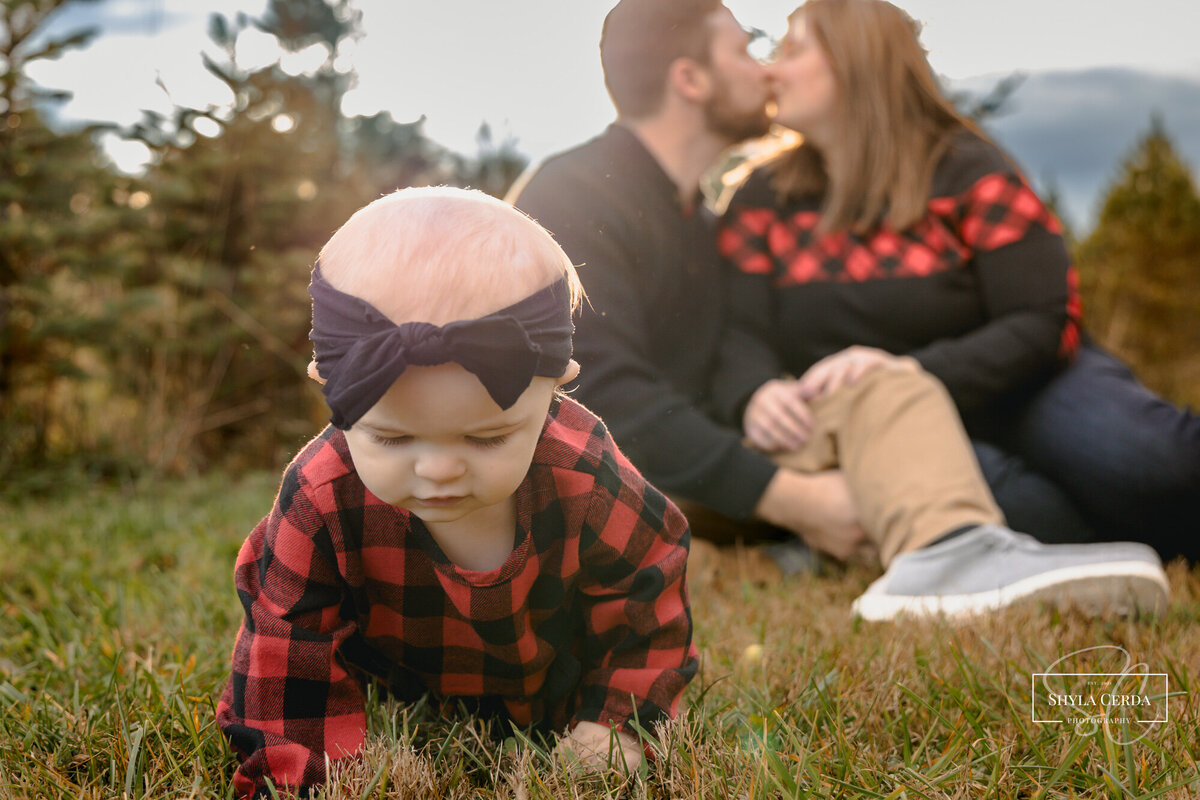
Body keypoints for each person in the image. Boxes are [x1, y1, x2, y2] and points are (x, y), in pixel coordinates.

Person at [510, 0, 1169, 623]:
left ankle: (947, 550)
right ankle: (915, 551)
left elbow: (1042, 312)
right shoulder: (580, 195)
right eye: (747, 51)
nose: (765, 69)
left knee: (887, 387)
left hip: (934, 401)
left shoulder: (696, 213)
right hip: (627, 467)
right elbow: (600, 398)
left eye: (781, 50)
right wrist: (798, 496)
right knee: (1028, 503)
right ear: (690, 80)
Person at [215, 187, 697, 796]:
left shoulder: (586, 477)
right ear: (329, 386)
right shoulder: (322, 496)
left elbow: (646, 596)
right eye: (392, 439)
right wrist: (306, 774)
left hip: (554, 683)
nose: (439, 470)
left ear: (556, 387)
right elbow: (288, 644)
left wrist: (620, 725)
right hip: (392, 677)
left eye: (487, 437)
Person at [716, 0, 1200, 560]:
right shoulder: (759, 202)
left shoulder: (970, 171)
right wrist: (754, 391)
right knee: (1033, 515)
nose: (771, 70)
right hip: (891, 429)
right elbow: (736, 331)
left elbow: (1044, 319)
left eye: (793, 50)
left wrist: (910, 372)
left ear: (856, 61)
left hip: (1030, 386)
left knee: (1153, 463)